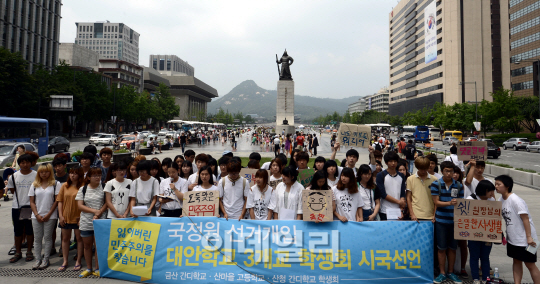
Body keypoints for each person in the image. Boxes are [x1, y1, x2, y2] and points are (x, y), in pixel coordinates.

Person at [495, 175, 540, 284]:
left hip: (526, 239)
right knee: (516, 261)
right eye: (495, 184)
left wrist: (529, 237)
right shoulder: (501, 199)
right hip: (513, 238)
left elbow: (525, 219)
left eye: (498, 184)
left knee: (530, 264)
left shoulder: (516, 200)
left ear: (507, 186)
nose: (496, 186)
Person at [431, 161, 464, 284]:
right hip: (441, 221)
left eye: (451, 171)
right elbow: (437, 203)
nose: (449, 173)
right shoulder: (436, 184)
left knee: (452, 248)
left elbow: (461, 203)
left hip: (454, 221)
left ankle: (451, 272)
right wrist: (450, 203)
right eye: (446, 171)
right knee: (441, 248)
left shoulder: (459, 185)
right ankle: (442, 273)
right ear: (442, 171)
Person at [28, 164, 61, 270]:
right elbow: (32, 202)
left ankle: (46, 259)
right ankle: (37, 259)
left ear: (50, 172)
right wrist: (37, 214)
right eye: (41, 172)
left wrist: (49, 214)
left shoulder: (56, 184)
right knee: (37, 239)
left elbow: (56, 201)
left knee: (47, 238)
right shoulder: (34, 184)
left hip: (50, 216)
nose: (44, 174)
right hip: (36, 215)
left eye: (46, 171)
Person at [76, 167, 107, 278]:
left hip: (100, 221)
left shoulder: (104, 187)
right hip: (86, 221)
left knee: (98, 246)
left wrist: (98, 214)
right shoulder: (83, 189)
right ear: (88, 177)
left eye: (99, 175)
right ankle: (89, 268)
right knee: (87, 246)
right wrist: (94, 211)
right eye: (94, 175)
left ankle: (98, 268)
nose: (97, 177)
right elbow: (80, 205)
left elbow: (107, 203)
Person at [7, 154, 37, 263]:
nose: (25, 165)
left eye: (27, 162)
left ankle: (29, 251)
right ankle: (18, 252)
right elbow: (13, 190)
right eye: (22, 163)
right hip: (17, 207)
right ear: (19, 164)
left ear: (31, 163)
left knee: (30, 230)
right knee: (18, 231)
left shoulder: (36, 175)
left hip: (31, 207)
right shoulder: (14, 176)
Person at [466, 180, 496, 284]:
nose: (492, 194)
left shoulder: (492, 200)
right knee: (474, 256)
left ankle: (486, 278)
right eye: (490, 191)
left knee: (485, 256)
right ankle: (475, 278)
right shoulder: (470, 199)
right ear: (484, 190)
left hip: (487, 234)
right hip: (473, 233)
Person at [57, 166, 84, 272]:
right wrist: (61, 215)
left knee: (79, 239)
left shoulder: (82, 186)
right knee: (65, 239)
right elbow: (60, 201)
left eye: (75, 173)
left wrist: (82, 217)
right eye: (71, 173)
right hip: (66, 217)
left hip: (78, 217)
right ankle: (65, 261)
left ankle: (78, 261)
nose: (72, 175)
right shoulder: (65, 185)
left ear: (80, 175)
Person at [376, 151, 406, 221]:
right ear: (386, 163)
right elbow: (383, 194)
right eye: (390, 161)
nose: (393, 163)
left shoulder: (401, 176)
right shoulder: (381, 175)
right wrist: (398, 202)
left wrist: (401, 210)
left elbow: (402, 193)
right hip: (385, 210)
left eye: (395, 161)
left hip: (398, 211)